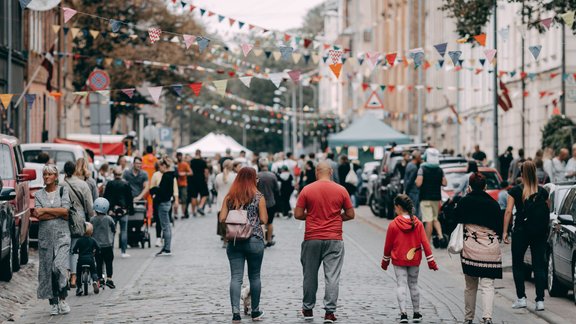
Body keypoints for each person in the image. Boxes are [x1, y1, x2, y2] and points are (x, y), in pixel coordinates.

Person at [294, 161, 355, 323]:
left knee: (309, 275)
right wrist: (335, 218)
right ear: (331, 172)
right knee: (332, 276)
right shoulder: (341, 190)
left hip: (312, 238)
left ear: (316, 172)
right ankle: (329, 312)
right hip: (334, 238)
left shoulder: (307, 189)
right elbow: (350, 214)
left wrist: (313, 216)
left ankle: (308, 309)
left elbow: (298, 214)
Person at [219, 167, 267, 323]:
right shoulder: (259, 197)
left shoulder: (229, 197)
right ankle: (255, 312)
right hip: (254, 239)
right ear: (254, 179)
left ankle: (235, 314)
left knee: (236, 277)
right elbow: (264, 219)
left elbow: (222, 218)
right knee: (255, 277)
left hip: (234, 241)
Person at [454, 173, 503, 324]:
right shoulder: (493, 204)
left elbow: (455, 220)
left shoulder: (464, 202)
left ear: (469, 186)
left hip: (471, 249)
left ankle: (468, 318)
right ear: (485, 187)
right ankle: (487, 317)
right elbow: (500, 228)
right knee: (488, 285)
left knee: (470, 286)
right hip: (490, 250)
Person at [381, 194, 437, 323]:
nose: (395, 209)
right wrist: (431, 260)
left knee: (401, 285)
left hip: (398, 259)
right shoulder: (417, 223)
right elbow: (425, 243)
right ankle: (416, 313)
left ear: (399, 207)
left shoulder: (393, 224)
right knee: (414, 285)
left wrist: (385, 261)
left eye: (395, 207)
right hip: (414, 259)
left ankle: (403, 314)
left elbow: (388, 245)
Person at [504, 161, 550, 311]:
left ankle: (521, 298)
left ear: (522, 174)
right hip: (539, 232)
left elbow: (509, 212)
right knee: (539, 265)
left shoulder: (515, 191)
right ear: (535, 172)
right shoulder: (543, 192)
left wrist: (505, 231)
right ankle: (540, 301)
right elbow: (546, 212)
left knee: (518, 264)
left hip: (521, 231)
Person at [35, 164, 72, 315]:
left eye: (50, 174)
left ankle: (63, 298)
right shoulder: (38, 194)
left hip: (62, 236)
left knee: (59, 266)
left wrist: (46, 211)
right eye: (45, 174)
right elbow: (38, 214)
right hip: (45, 238)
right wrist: (56, 213)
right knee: (47, 270)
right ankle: (53, 302)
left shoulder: (63, 190)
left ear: (56, 177)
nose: (47, 177)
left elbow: (66, 211)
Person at [62, 160, 94, 291]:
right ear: (75, 170)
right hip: (78, 218)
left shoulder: (61, 185)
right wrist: (91, 218)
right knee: (75, 247)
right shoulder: (83, 184)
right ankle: (74, 276)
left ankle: (65, 275)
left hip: (64, 216)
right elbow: (89, 205)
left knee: (65, 247)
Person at [415, 148, 447, 242]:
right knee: (435, 218)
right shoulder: (440, 170)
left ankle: (427, 242)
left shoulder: (422, 169)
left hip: (425, 198)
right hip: (436, 198)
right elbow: (445, 183)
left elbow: (418, 183)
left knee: (428, 220)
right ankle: (441, 236)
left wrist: (416, 180)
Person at [103, 167, 134, 258]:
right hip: (123, 210)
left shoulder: (110, 184)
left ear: (114, 174)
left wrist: (108, 210)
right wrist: (129, 209)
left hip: (112, 211)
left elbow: (106, 197)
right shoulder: (126, 184)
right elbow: (130, 198)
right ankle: (123, 251)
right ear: (121, 174)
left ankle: (111, 251)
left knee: (112, 232)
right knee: (124, 231)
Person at [150, 157, 177, 256]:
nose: (159, 168)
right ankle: (166, 247)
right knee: (167, 226)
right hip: (167, 202)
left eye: (160, 166)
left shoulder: (166, 176)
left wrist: (154, 190)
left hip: (163, 203)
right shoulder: (171, 175)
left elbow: (162, 191)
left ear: (164, 166)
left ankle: (167, 248)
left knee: (165, 226)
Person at [91, 197, 116, 289]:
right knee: (109, 262)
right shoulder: (109, 219)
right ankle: (109, 279)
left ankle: (100, 279)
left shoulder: (92, 219)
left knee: (99, 262)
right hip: (108, 245)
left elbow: (90, 230)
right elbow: (114, 229)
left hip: (97, 246)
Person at [72, 222, 100, 295]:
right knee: (94, 271)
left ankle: (79, 287)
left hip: (81, 259)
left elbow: (74, 249)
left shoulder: (79, 240)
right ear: (91, 232)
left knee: (78, 273)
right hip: (90, 259)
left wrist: (74, 252)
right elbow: (98, 248)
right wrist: (96, 252)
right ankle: (94, 281)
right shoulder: (92, 240)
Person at [214, 160, 237, 247]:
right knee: (231, 222)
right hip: (231, 201)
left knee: (222, 222)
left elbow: (216, 188)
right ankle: (231, 238)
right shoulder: (234, 176)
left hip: (220, 201)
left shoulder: (218, 176)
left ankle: (224, 240)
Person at [257, 159, 279, 247]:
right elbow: (277, 189)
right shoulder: (272, 176)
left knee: (261, 222)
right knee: (270, 222)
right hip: (271, 201)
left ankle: (262, 239)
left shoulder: (257, 175)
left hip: (259, 201)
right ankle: (269, 239)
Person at [189, 149, 209, 216]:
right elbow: (206, 171)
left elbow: (190, 170)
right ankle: (200, 206)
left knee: (193, 196)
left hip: (193, 180)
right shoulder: (203, 161)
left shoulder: (191, 161)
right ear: (200, 154)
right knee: (205, 194)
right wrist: (206, 179)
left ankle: (193, 211)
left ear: (195, 153)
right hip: (201, 179)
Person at [404, 151, 422, 219]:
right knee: (414, 210)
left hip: (410, 191)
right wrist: (407, 191)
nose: (420, 158)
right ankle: (414, 226)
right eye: (420, 157)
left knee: (411, 209)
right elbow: (410, 181)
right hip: (413, 191)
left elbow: (406, 179)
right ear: (417, 157)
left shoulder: (409, 164)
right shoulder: (414, 168)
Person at [176, 152, 193, 218]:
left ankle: (183, 213)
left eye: (180, 156)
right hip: (176, 184)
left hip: (183, 184)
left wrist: (184, 173)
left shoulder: (185, 164)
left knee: (184, 199)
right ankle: (176, 214)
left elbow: (191, 172)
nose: (179, 157)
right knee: (176, 199)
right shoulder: (175, 164)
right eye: (178, 156)